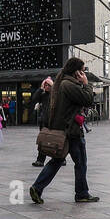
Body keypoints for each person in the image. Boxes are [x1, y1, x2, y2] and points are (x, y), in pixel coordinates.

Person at [29, 58, 98, 204]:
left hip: (63, 129)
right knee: (81, 163)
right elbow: (87, 99)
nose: (84, 73)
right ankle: (82, 193)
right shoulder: (68, 85)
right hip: (72, 131)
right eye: (82, 70)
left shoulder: (61, 83)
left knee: (57, 160)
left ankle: (37, 187)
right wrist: (87, 84)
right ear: (76, 72)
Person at [32, 76, 53, 167]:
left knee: (55, 140)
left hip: (54, 122)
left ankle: (60, 158)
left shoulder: (55, 94)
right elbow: (34, 98)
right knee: (42, 141)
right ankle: (40, 160)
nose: (47, 87)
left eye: (49, 85)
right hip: (44, 122)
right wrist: (41, 88)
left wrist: (53, 87)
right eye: (45, 85)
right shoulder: (43, 95)